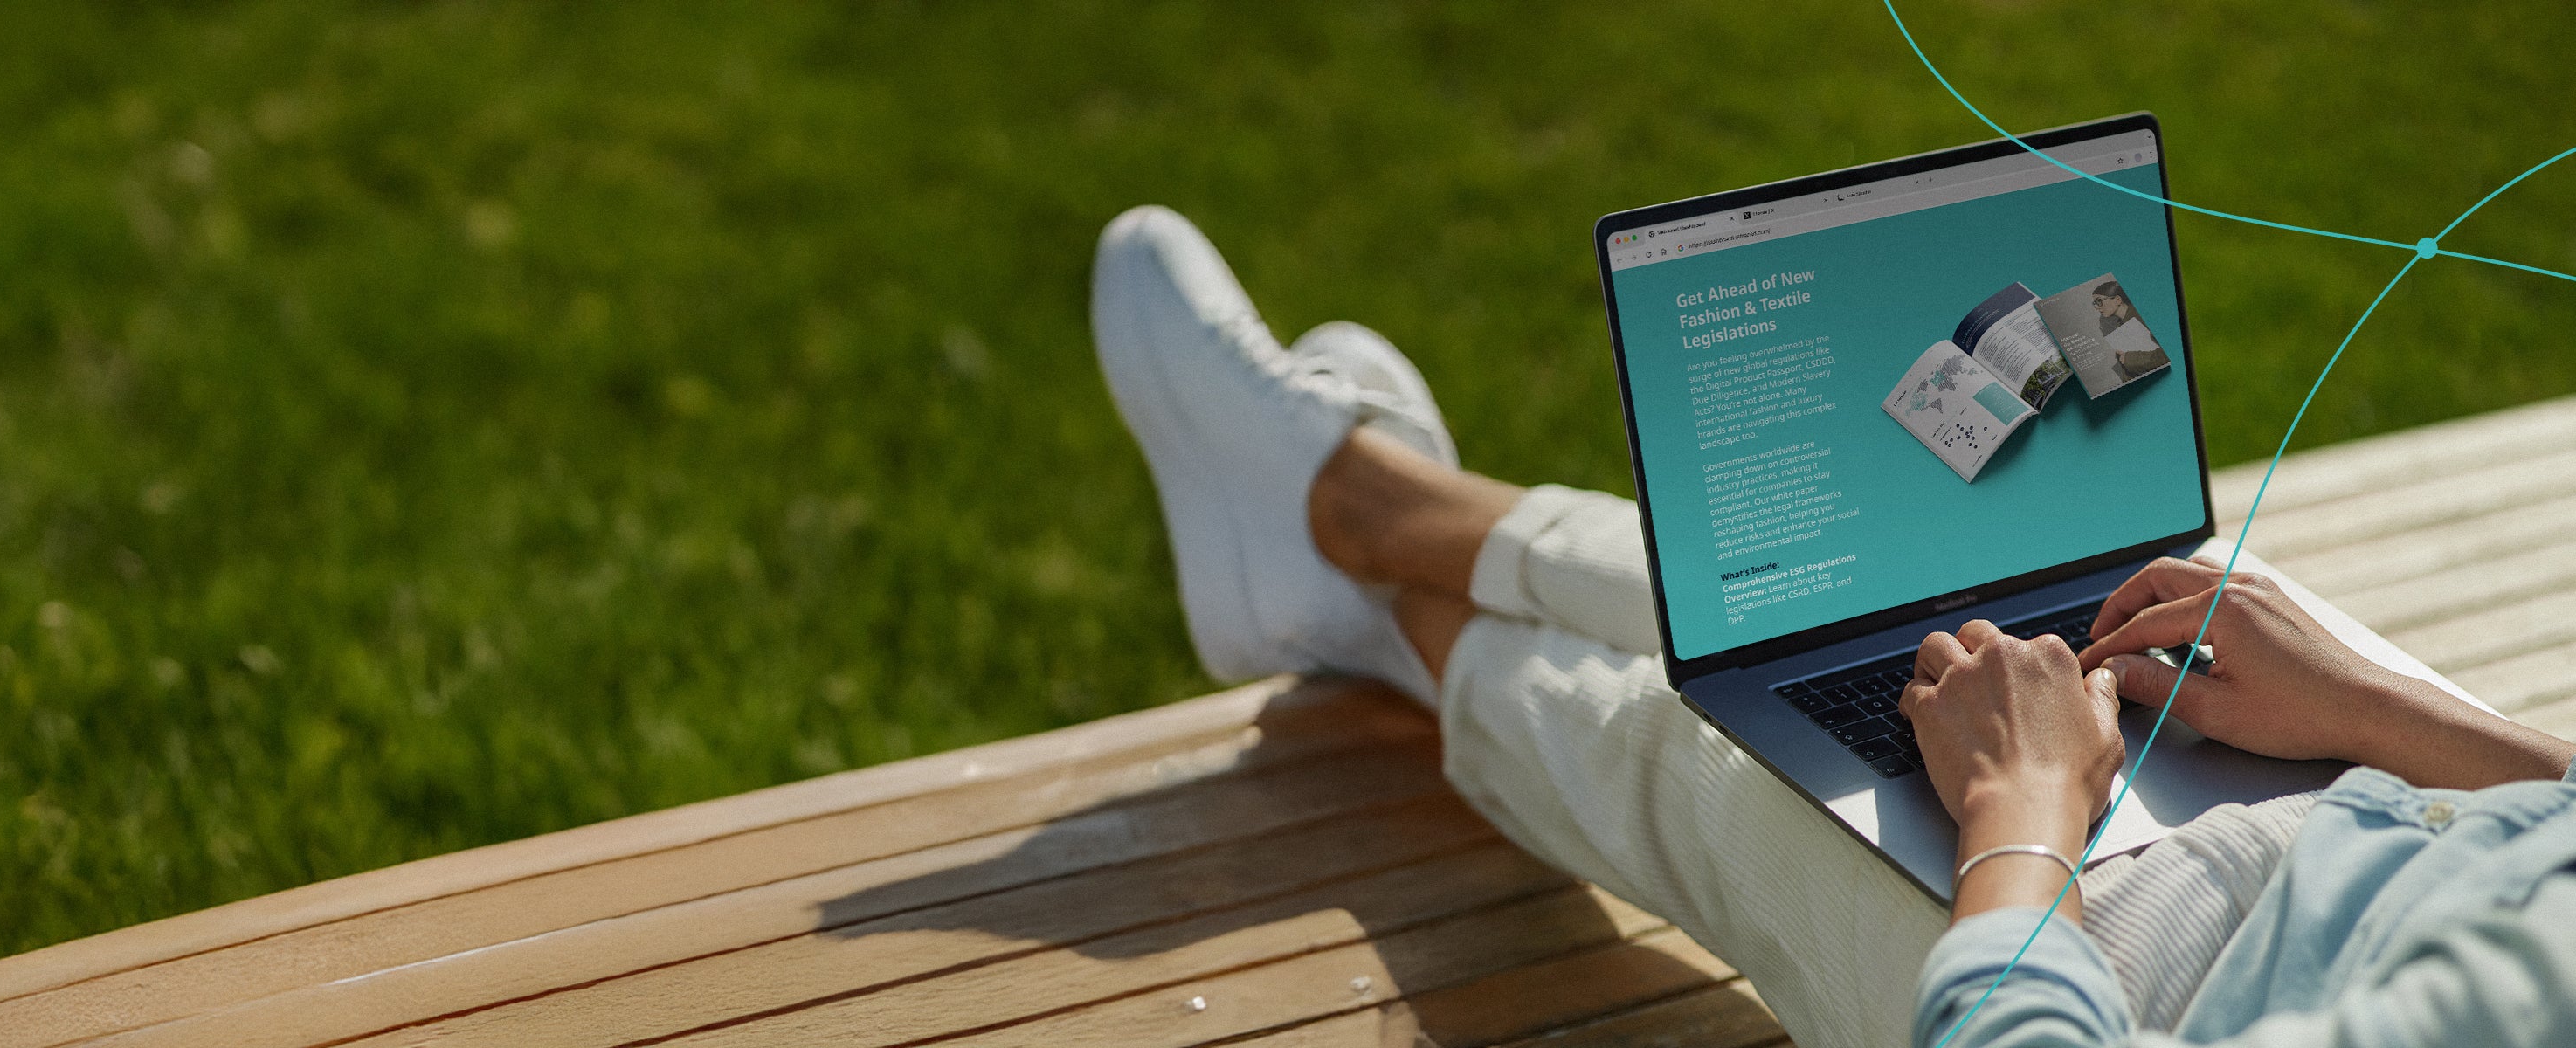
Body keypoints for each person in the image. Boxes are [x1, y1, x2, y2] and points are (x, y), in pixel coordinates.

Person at [1089, 204, 2576, 1047]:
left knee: (1690, 748)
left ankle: (1356, 550)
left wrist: (2021, 817)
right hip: (2394, 804)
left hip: (2123, 970)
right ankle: (1364, 521)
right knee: (1844, 617)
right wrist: (2399, 719)